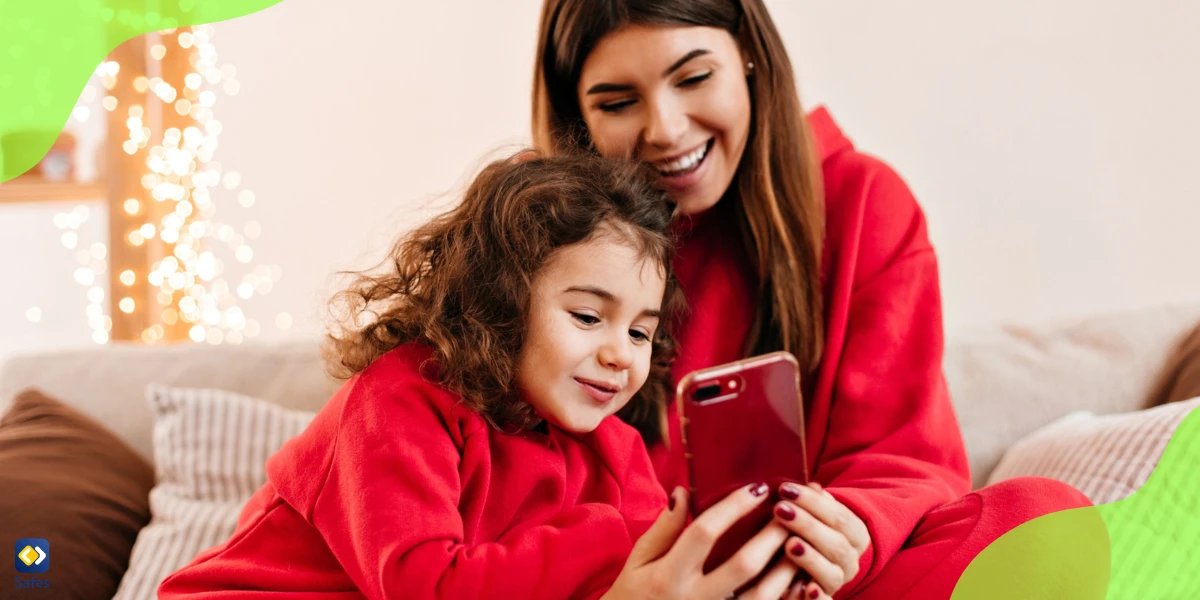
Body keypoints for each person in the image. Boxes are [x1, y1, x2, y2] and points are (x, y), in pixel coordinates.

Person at [532, 2, 1094, 599]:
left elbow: (903, 458)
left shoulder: (864, 203)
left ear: (749, 55)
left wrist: (845, 536)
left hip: (822, 578)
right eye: (617, 103)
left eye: (694, 78)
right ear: (576, 116)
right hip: (625, 579)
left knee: (1047, 518)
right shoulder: (541, 230)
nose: (666, 129)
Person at [158, 153, 787, 599]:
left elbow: (649, 566)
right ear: (502, 299)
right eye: (590, 316)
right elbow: (425, 585)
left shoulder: (614, 450)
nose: (622, 353)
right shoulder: (398, 400)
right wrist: (615, 538)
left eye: (640, 332)